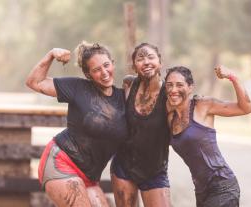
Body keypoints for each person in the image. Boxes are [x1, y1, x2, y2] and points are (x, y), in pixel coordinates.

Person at [25, 42, 128, 207]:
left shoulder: (124, 98)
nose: (104, 73)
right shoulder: (77, 88)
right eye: (96, 70)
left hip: (89, 177)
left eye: (106, 65)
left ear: (112, 63)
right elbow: (34, 82)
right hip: (61, 162)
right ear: (88, 74)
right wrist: (51, 54)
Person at [164, 65, 251, 207]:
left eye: (179, 85)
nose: (173, 89)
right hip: (201, 191)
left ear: (190, 87)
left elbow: (246, 107)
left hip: (223, 186)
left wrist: (232, 77)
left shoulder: (202, 105)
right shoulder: (170, 119)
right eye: (169, 85)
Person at [111, 43, 171, 207]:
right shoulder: (129, 85)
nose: (146, 62)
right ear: (134, 66)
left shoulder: (169, 93)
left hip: (155, 170)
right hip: (123, 167)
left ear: (160, 62)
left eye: (151, 57)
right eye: (140, 59)